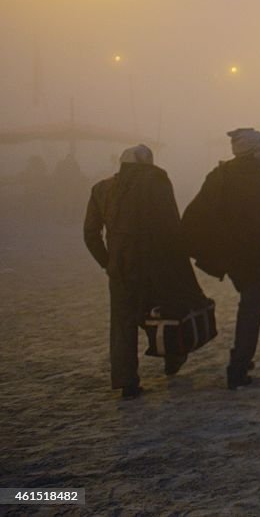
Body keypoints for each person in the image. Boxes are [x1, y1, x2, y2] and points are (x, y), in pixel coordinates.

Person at [84, 144, 205, 399]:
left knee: (122, 324)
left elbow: (90, 233)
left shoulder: (101, 189)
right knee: (163, 313)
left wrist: (107, 262)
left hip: (119, 267)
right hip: (155, 263)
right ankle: (173, 358)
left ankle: (127, 382)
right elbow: (170, 223)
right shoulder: (156, 181)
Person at [182, 128, 260, 390]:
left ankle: (241, 361)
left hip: (234, 257)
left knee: (249, 306)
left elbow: (195, 214)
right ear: (257, 150)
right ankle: (238, 366)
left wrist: (213, 248)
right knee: (251, 309)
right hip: (259, 256)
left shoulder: (220, 175)